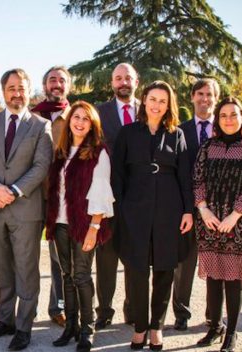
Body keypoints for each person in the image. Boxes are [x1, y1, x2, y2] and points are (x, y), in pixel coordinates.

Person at [0, 68, 53, 351]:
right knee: (2, 269)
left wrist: (14, 191)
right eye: (11, 88)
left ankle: (23, 327)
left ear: (29, 91)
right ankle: (4, 321)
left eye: (22, 88)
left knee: (26, 270)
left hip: (26, 210)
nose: (17, 93)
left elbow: (41, 166)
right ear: (3, 90)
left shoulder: (41, 126)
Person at [111, 80, 193, 351]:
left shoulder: (177, 134)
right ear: (143, 100)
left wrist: (188, 211)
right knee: (136, 270)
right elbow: (118, 174)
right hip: (134, 208)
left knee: (164, 269)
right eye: (153, 99)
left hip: (169, 210)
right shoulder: (128, 133)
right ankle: (139, 327)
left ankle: (157, 326)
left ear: (169, 105)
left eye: (162, 100)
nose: (157, 104)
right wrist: (120, 207)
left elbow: (184, 176)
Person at [193, 97, 242, 352]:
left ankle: (232, 331)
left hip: (237, 224)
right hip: (209, 222)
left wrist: (235, 216)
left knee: (233, 279)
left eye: (233, 114)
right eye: (223, 115)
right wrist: (203, 209)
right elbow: (197, 178)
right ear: (217, 119)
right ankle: (215, 327)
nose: (228, 119)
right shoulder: (207, 146)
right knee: (213, 278)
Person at [45, 101, 114, 352]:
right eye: (76, 117)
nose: (80, 122)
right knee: (66, 275)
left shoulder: (99, 152)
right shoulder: (62, 151)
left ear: (92, 124)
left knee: (82, 275)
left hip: (85, 224)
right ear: (69, 120)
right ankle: (70, 326)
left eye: (86, 118)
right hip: (60, 223)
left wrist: (94, 227)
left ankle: (87, 329)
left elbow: (101, 192)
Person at [94, 63, 140, 329]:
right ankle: (104, 310)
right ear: (112, 83)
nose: (123, 82)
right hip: (108, 196)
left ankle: (132, 309)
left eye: (128, 78)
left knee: (136, 257)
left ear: (136, 81)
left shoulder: (148, 110)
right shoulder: (100, 112)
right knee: (107, 258)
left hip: (139, 198)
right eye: (118, 78)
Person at [174, 78, 220, 331]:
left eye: (209, 94)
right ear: (192, 97)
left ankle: (214, 315)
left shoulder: (225, 129)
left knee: (216, 263)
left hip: (219, 210)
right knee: (185, 264)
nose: (204, 99)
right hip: (189, 208)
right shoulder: (180, 131)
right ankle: (181, 314)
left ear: (215, 98)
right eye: (200, 93)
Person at [32, 65, 72, 327]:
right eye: (52, 80)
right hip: (31, 195)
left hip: (61, 198)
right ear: (45, 85)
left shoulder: (77, 116)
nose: (56, 84)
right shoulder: (32, 116)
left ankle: (57, 306)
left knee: (60, 257)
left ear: (69, 85)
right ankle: (24, 308)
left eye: (62, 80)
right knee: (25, 255)